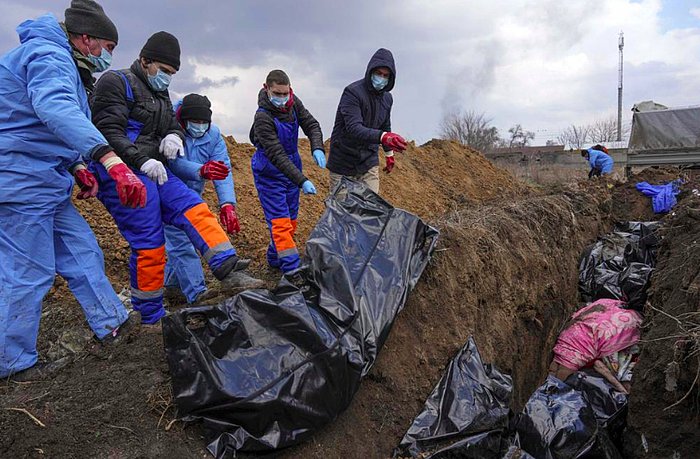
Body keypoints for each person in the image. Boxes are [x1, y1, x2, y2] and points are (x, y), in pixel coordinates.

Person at [0, 0, 145, 380]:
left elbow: (43, 126)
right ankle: (12, 363)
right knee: (28, 271)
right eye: (107, 48)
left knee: (83, 251)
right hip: (17, 179)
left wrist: (78, 165)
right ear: (86, 38)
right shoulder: (48, 55)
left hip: (44, 180)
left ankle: (112, 324)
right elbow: (54, 109)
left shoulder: (67, 65)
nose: (108, 57)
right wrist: (108, 159)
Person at [90, 31, 263, 325]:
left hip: (155, 169)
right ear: (145, 61)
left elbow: (172, 124)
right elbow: (107, 131)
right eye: (165, 70)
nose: (168, 78)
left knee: (194, 207)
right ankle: (150, 315)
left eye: (172, 73)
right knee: (150, 243)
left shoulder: (160, 94)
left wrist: (173, 134)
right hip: (122, 171)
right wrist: (140, 160)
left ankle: (228, 268)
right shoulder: (115, 82)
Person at [166, 94, 240, 303]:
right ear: (183, 119)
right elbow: (172, 163)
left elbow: (222, 169)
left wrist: (227, 204)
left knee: (182, 240)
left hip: (192, 195)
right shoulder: (170, 129)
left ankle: (172, 287)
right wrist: (201, 170)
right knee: (181, 243)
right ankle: (197, 294)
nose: (199, 127)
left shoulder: (213, 134)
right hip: (169, 193)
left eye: (203, 123)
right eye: (195, 122)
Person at [250, 70, 325, 273]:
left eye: (285, 93)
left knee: (290, 221)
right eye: (277, 93)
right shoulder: (262, 118)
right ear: (266, 89)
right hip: (270, 172)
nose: (282, 99)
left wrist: (317, 146)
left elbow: (311, 124)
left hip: (292, 167)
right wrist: (302, 180)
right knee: (280, 224)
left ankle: (274, 259)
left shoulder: (294, 103)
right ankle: (292, 271)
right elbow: (276, 154)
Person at [327, 48, 408, 194]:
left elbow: (385, 125)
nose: (381, 78)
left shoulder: (387, 98)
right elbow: (354, 128)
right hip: (344, 161)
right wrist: (383, 136)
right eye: (378, 73)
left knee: (371, 209)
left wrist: (389, 154)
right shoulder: (352, 93)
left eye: (385, 75)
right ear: (370, 71)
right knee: (343, 212)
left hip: (368, 161)